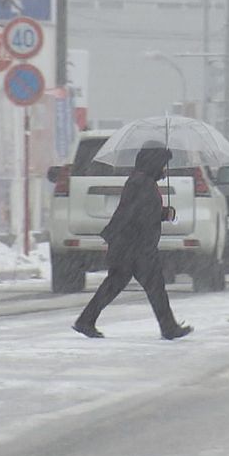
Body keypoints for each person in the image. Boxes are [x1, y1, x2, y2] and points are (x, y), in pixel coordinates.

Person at [73, 144, 193, 340]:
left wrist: (164, 213)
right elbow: (137, 214)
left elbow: (140, 212)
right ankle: (168, 327)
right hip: (135, 247)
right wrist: (162, 214)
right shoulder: (141, 183)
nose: (165, 169)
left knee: (116, 285)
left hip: (129, 245)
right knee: (154, 287)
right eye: (163, 164)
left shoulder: (142, 181)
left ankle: (86, 320)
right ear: (154, 163)